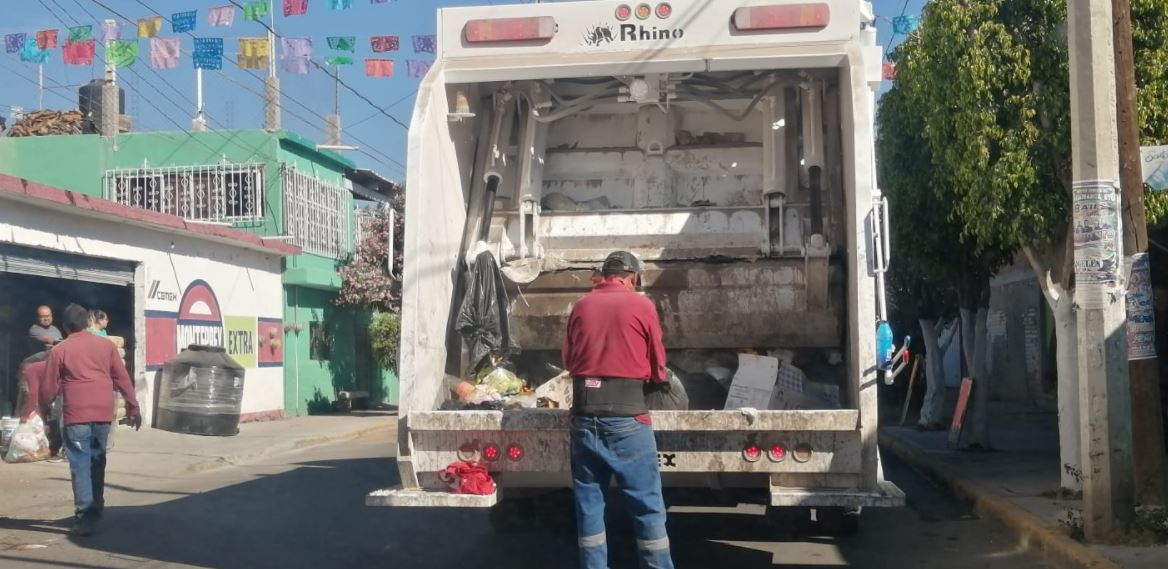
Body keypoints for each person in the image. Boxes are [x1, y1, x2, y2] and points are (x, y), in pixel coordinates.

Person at [562, 251, 674, 569]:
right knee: (647, 506)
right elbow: (658, 364)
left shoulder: (581, 305)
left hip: (584, 417)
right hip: (628, 420)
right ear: (632, 277)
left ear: (605, 275)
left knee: (589, 508)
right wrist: (656, 379)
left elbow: (569, 361)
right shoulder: (641, 305)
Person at [41, 304, 141, 537]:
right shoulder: (106, 346)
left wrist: (44, 411)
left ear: (65, 327)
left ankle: (86, 516)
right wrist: (133, 406)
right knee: (97, 460)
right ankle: (96, 506)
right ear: (88, 322)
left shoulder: (60, 350)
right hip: (104, 413)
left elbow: (48, 388)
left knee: (80, 465)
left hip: (76, 414)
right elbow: (122, 378)